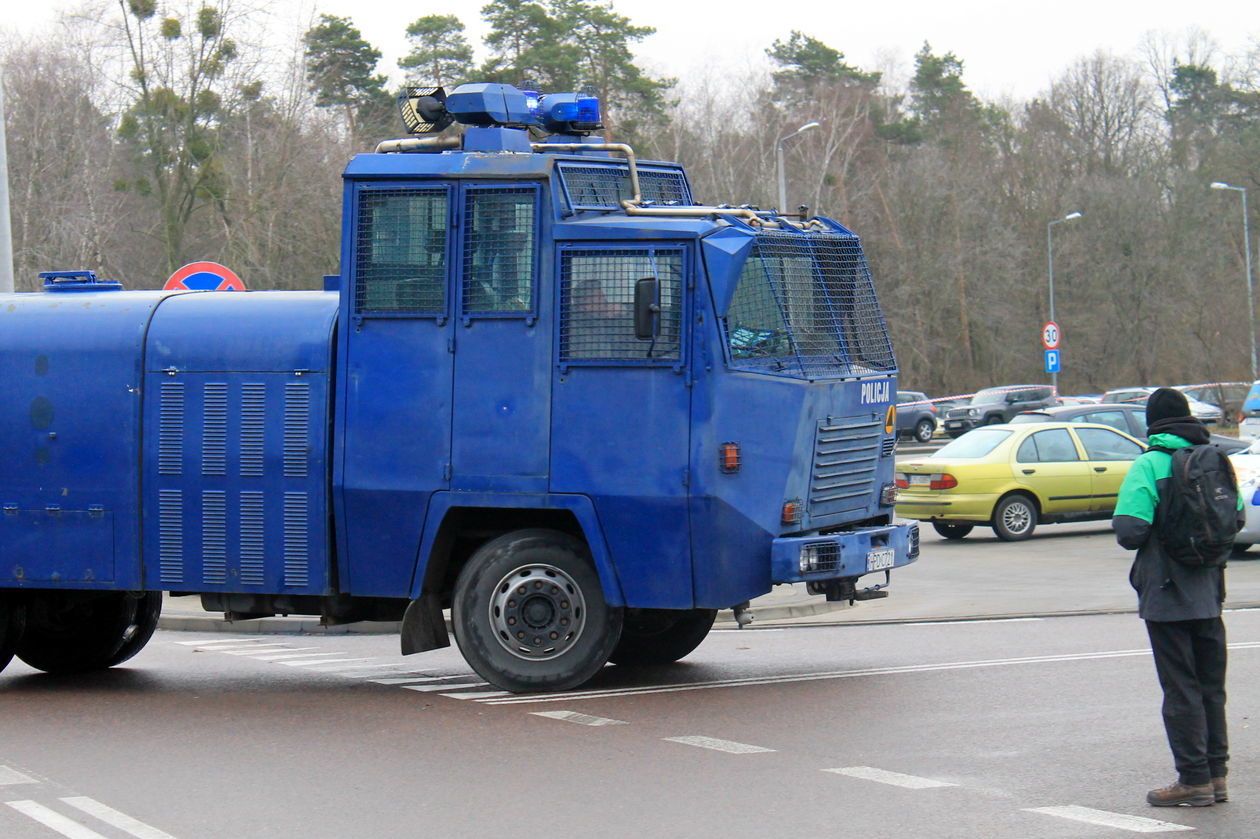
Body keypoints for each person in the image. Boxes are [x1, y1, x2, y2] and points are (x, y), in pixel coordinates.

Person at [1112, 387, 1235, 807]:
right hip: (1209, 592)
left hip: (1166, 597)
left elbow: (1130, 532)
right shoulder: (1215, 461)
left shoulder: (1148, 464)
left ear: (1152, 425)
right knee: (1210, 688)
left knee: (1180, 689)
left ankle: (1193, 779)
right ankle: (1217, 777)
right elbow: (1233, 517)